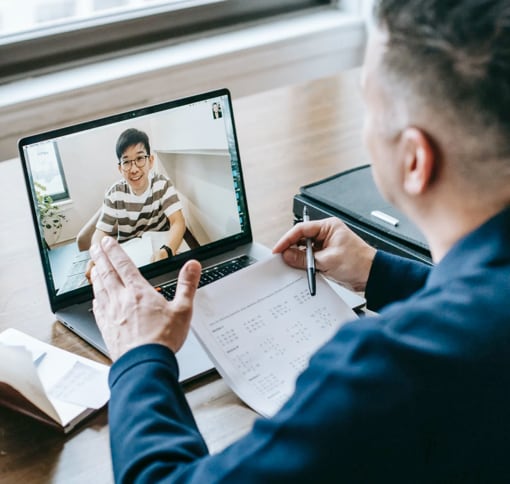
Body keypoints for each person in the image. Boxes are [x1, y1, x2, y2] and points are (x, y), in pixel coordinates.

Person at [89, 0, 510, 481]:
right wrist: (380, 270)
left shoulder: (388, 371)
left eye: (367, 104)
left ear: (414, 160)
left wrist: (140, 354)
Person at [87, 128, 186, 276]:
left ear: (150, 161)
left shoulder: (162, 184)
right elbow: (100, 233)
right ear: (120, 168)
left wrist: (167, 250)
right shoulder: (114, 194)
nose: (134, 169)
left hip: (161, 253)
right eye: (126, 162)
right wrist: (97, 256)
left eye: (140, 159)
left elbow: (178, 221)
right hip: (130, 261)